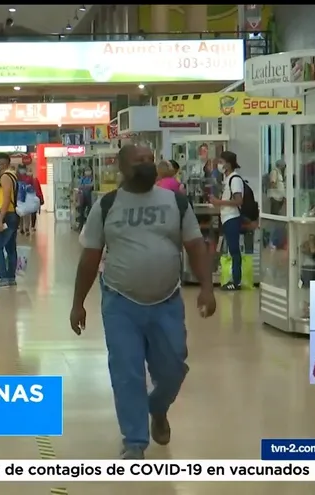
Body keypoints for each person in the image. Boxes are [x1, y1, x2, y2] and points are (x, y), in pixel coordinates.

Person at [69, 144, 216, 460]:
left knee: (174, 366)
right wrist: (78, 302)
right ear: (122, 167)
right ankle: (135, 440)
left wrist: (207, 287)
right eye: (139, 161)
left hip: (167, 301)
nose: (148, 164)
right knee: (127, 372)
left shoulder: (175, 201)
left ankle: (157, 408)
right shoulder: (107, 205)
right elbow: (90, 258)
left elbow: (194, 245)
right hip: (120, 302)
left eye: (151, 159)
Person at [210, 151, 244, 291]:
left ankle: (236, 281)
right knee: (230, 250)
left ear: (228, 164)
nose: (220, 165)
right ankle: (232, 278)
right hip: (227, 218)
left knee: (234, 250)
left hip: (232, 218)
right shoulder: (227, 179)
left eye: (221, 162)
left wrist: (219, 202)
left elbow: (238, 200)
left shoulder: (235, 179)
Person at [0, 153, 20, 287]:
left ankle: (3, 277)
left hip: (7, 215)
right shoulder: (13, 176)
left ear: (5, 164)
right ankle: (11, 277)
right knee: (10, 247)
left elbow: (6, 198)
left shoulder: (5, 177)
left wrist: (0, 219)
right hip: (12, 215)